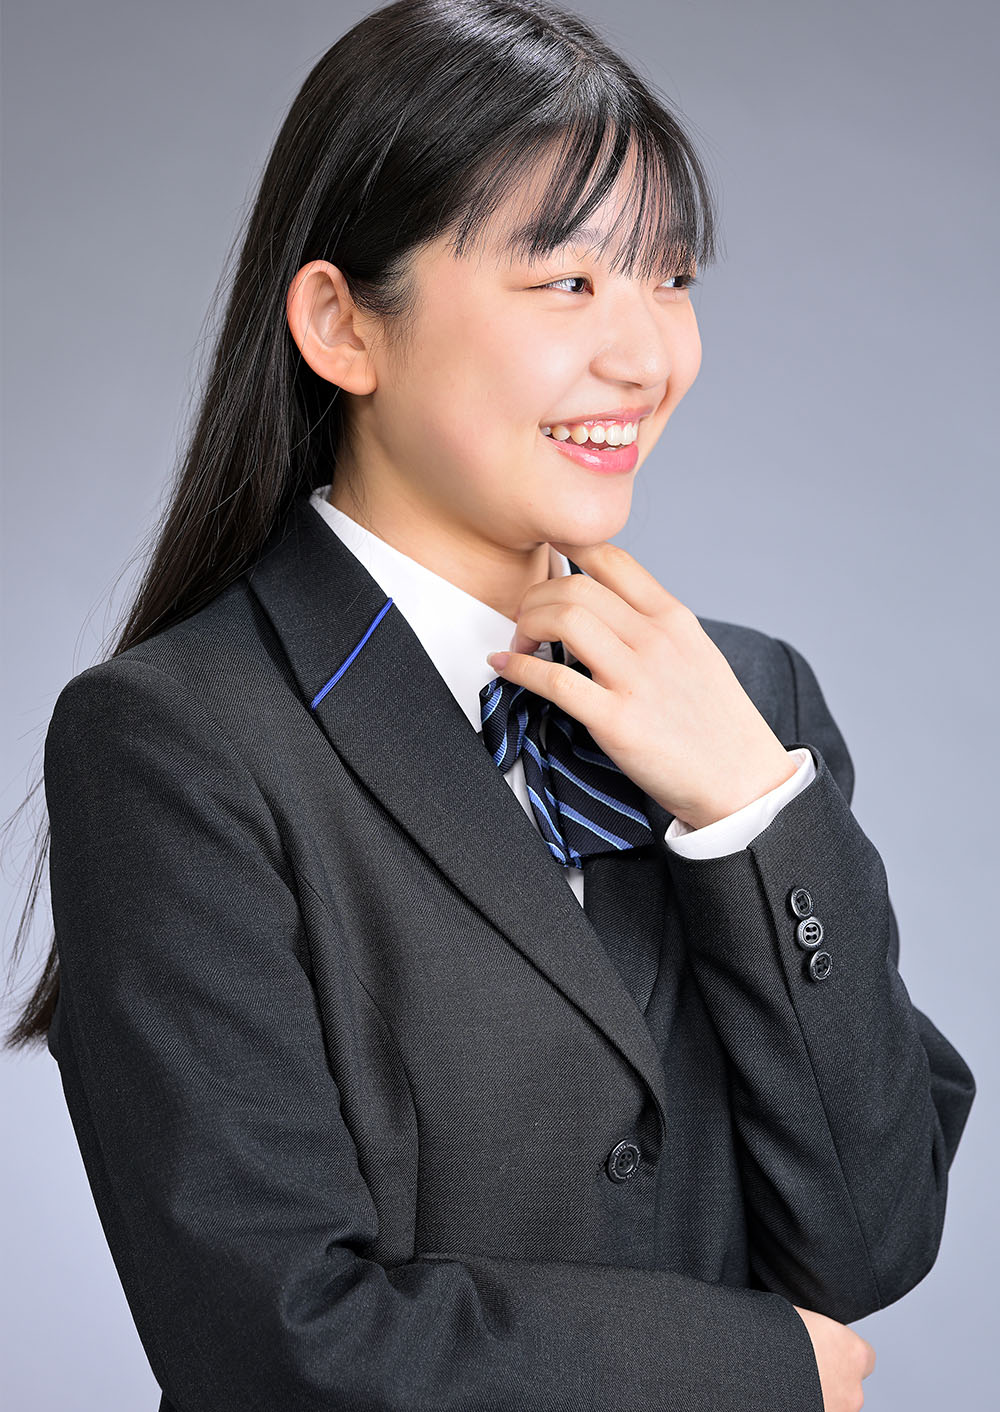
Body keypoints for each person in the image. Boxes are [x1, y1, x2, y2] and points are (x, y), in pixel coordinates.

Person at [5, 2, 976, 1409]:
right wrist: (757, 1370)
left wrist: (753, 816)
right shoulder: (178, 742)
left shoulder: (749, 703)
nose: (646, 357)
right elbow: (275, 1343)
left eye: (672, 277)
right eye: (568, 281)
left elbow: (872, 1236)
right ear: (344, 325)